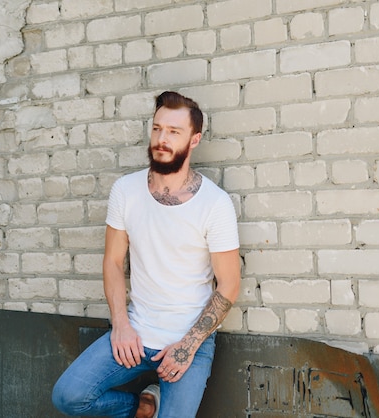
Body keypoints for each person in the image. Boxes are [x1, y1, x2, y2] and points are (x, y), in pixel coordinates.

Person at [51, 91, 241, 418]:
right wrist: (121, 324)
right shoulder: (126, 190)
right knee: (68, 396)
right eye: (157, 129)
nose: (161, 139)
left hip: (189, 342)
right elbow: (112, 262)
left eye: (173, 132)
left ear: (194, 140)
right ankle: (141, 407)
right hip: (135, 331)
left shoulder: (215, 203)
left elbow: (229, 285)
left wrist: (188, 345)